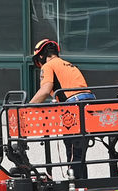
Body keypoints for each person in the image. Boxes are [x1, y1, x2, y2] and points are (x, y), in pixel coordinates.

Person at [29, 39, 94, 179]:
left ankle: (75, 185)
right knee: (80, 152)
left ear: (41, 56)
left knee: (72, 150)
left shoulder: (48, 66)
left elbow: (45, 90)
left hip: (73, 107)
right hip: (89, 106)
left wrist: (27, 107)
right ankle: (83, 183)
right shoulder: (69, 65)